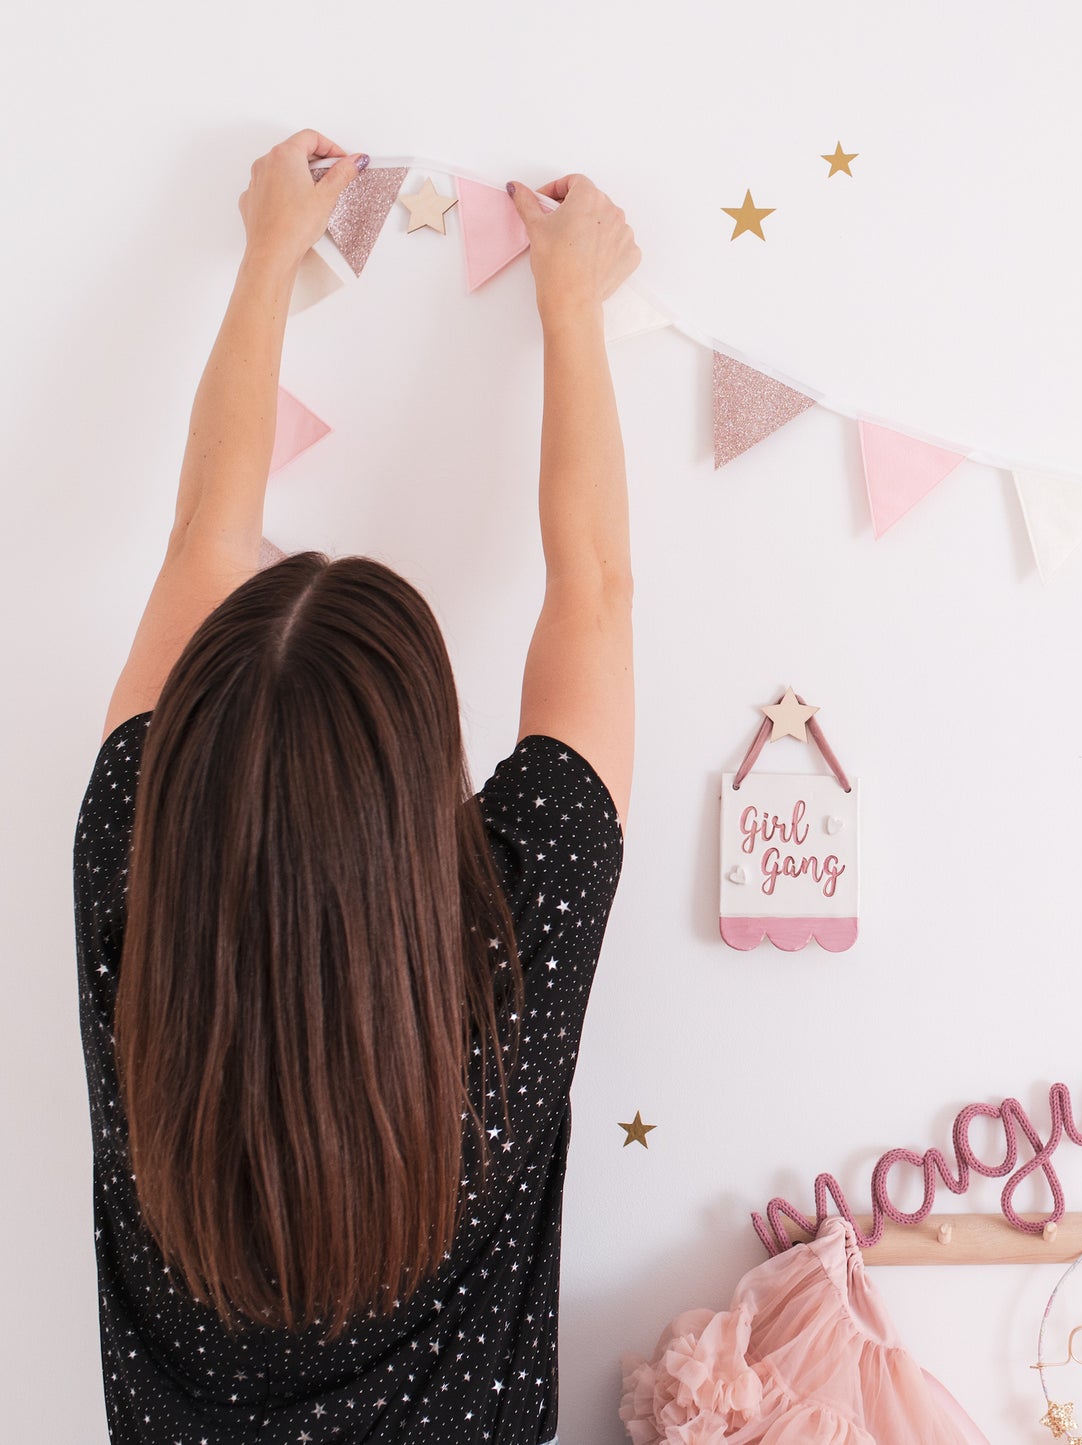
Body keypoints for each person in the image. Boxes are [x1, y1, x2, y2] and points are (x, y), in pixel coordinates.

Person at [71, 129, 639, 1445]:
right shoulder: (517, 941)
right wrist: (574, 306)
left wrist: (269, 254)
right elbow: (594, 593)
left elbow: (202, 537)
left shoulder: (131, 894)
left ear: (184, 762)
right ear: (424, 767)